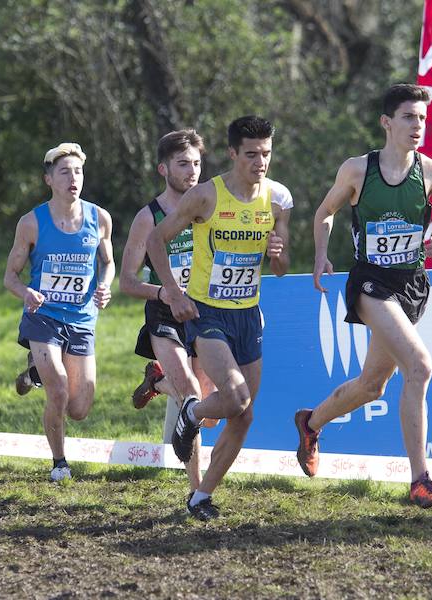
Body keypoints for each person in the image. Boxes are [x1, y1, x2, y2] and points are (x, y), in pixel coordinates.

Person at [294, 83, 432, 509]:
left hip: (410, 285)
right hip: (370, 283)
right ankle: (420, 481)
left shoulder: (430, 172)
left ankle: (310, 423)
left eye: (423, 119)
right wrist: (321, 257)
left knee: (372, 385)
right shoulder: (357, 170)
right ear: (387, 122)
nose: (418, 126)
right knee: (421, 366)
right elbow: (324, 214)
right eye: (409, 117)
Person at [146, 116, 291, 520]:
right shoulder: (206, 196)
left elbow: (280, 267)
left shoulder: (277, 199)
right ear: (232, 153)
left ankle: (201, 496)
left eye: (266, 154)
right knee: (234, 397)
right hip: (207, 313)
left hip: (248, 314)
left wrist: (278, 255)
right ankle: (191, 414)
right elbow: (156, 240)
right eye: (251, 154)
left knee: (244, 415)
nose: (259, 162)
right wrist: (172, 292)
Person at [3, 142, 114, 482]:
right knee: (60, 390)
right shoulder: (31, 223)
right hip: (43, 317)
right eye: (65, 172)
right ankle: (59, 463)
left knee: (79, 408)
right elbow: (10, 276)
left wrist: (105, 285)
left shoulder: (100, 218)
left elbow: (108, 263)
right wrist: (27, 292)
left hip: (82, 320)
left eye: (78, 172)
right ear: (48, 179)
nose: (73, 178)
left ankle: (35, 374)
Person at [119, 129, 217, 492]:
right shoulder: (149, 217)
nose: (192, 171)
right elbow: (126, 282)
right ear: (163, 169)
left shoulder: (210, 205)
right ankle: (197, 491)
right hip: (165, 315)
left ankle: (157, 381)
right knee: (191, 393)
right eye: (182, 164)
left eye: (196, 163)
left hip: (205, 313)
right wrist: (167, 293)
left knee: (206, 412)